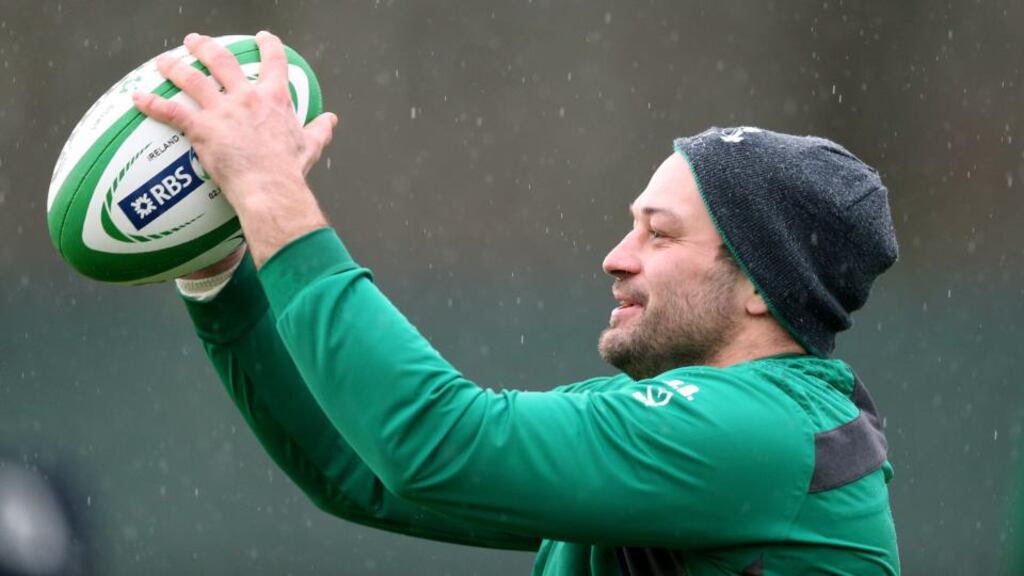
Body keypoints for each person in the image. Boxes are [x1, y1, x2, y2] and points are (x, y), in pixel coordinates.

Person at [134, 32, 901, 575]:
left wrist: (268, 187)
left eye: (659, 234)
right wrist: (220, 275)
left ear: (764, 286)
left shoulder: (755, 435)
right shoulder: (730, 431)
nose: (616, 256)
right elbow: (359, 470)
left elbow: (435, 443)